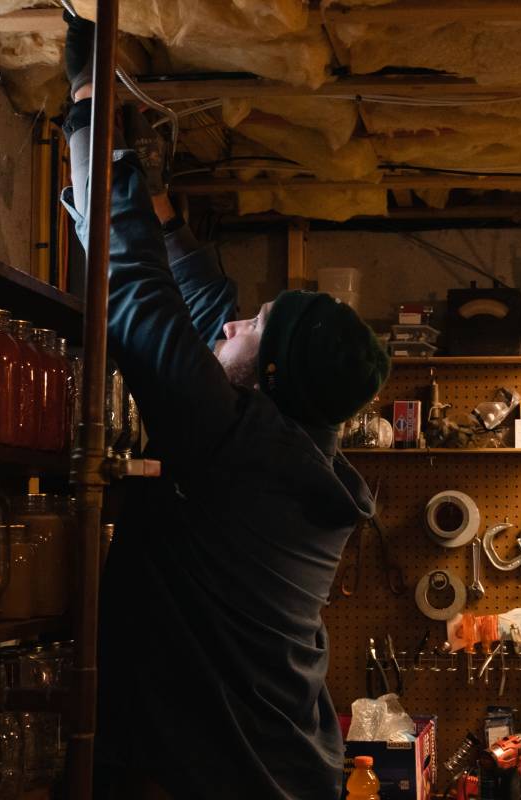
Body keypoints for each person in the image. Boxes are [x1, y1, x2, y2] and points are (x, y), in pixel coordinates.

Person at [57, 14, 390, 799]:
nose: (237, 321)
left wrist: (85, 101)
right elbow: (212, 312)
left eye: (258, 327)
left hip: (225, 780)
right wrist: (162, 203)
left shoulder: (239, 452)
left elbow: (133, 290)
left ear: (268, 377)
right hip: (279, 773)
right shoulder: (283, 445)